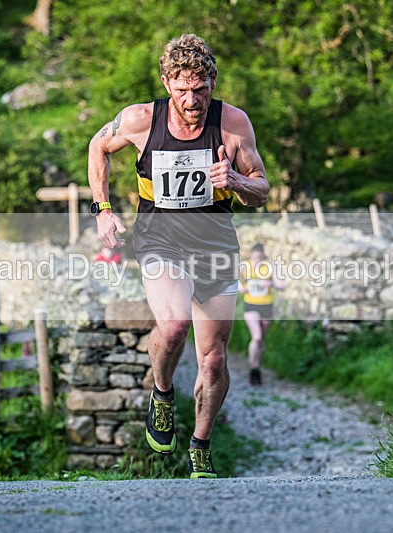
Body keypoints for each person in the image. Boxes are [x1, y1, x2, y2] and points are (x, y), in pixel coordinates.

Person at [87, 34, 269, 478]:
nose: (192, 100)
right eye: (183, 89)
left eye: (201, 89)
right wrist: (103, 210)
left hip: (216, 245)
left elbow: (262, 188)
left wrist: (237, 182)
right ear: (167, 82)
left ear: (212, 81)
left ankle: (202, 443)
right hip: (160, 240)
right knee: (172, 324)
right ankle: (163, 392)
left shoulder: (233, 123)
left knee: (214, 358)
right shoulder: (139, 119)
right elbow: (97, 147)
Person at [239, 243, 284, 385]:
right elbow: (230, 279)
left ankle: (256, 368)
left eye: (260, 256)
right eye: (255, 256)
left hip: (266, 305)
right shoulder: (245, 266)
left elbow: (282, 284)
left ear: (264, 255)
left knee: (261, 340)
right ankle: (253, 368)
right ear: (251, 255)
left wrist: (270, 284)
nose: (257, 259)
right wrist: (241, 287)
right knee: (257, 337)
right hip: (251, 305)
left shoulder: (270, 266)